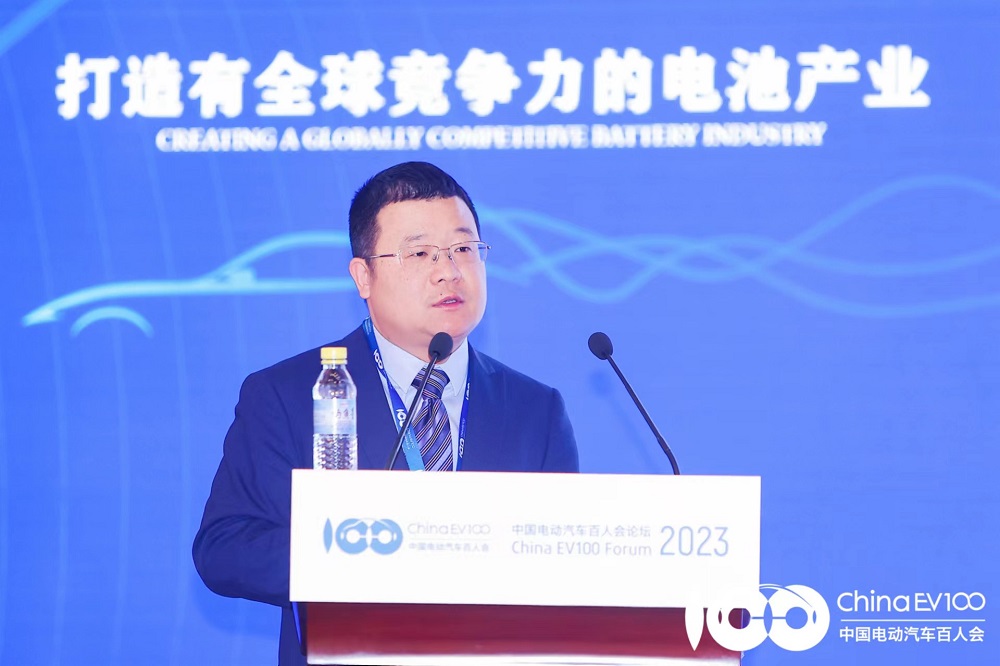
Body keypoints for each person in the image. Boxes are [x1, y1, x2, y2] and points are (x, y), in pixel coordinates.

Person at [192, 161, 579, 665]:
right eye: (420, 253)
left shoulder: (535, 410)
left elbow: (563, 562)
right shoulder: (286, 394)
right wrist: (359, 556)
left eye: (464, 249)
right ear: (363, 276)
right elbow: (224, 549)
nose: (449, 271)